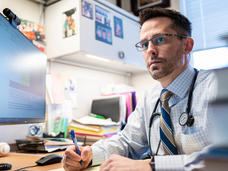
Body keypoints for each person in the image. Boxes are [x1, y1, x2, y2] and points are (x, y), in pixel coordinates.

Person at [63, 7, 217, 171]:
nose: (150, 49)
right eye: (144, 44)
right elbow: (127, 142)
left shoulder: (215, 87)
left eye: (160, 39)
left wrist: (153, 166)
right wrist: (89, 154)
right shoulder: (151, 97)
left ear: (187, 45)